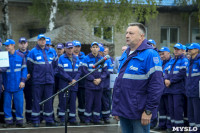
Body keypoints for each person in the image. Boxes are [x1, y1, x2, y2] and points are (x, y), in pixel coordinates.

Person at [112, 23, 164, 133]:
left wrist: (148, 111)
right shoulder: (126, 54)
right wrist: (116, 108)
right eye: (126, 33)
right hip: (124, 110)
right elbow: (119, 84)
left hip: (139, 112)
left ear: (141, 36)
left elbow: (157, 85)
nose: (127, 35)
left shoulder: (150, 54)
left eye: (131, 33)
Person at [27, 34, 58, 127]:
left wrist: (51, 74)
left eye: (43, 40)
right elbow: (29, 67)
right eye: (40, 40)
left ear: (46, 41)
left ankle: (49, 120)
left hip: (49, 81)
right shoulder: (33, 52)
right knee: (37, 101)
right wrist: (36, 75)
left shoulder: (52, 51)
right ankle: (36, 120)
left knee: (49, 101)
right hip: (37, 81)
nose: (42, 41)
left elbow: (55, 66)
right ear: (37, 41)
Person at [80, 42, 108, 125]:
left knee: (97, 103)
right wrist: (93, 79)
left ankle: (96, 119)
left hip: (99, 85)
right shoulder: (86, 58)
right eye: (93, 47)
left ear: (99, 49)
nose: (95, 48)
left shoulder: (102, 59)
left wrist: (100, 79)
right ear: (91, 49)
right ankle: (87, 119)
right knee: (89, 103)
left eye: (96, 47)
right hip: (90, 85)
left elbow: (105, 71)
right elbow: (84, 71)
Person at [2, 39, 27, 128]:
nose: (6, 47)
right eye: (6, 45)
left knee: (19, 104)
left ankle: (19, 121)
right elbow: (2, 72)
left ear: (13, 45)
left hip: (18, 85)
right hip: (7, 85)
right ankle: (8, 121)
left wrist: (23, 81)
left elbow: (24, 69)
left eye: (8, 45)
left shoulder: (21, 56)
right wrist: (1, 83)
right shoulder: (3, 56)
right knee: (7, 104)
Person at [164, 43, 189, 133]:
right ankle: (173, 127)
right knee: (171, 109)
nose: (176, 51)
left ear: (183, 51)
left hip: (178, 89)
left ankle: (179, 128)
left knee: (177, 109)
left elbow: (181, 74)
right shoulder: (172, 60)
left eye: (178, 49)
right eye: (175, 49)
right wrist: (166, 79)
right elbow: (166, 71)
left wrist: (171, 81)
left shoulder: (184, 60)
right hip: (170, 89)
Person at [57, 42, 81, 126]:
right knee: (63, 102)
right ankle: (63, 119)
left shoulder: (76, 58)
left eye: (71, 48)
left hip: (74, 84)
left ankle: (72, 119)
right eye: (68, 48)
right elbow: (61, 71)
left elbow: (79, 71)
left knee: (73, 102)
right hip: (64, 84)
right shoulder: (61, 58)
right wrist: (70, 79)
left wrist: (75, 80)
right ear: (65, 49)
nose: (70, 49)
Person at [154, 47, 171, 131]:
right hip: (160, 90)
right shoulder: (160, 63)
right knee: (161, 109)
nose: (161, 55)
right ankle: (161, 124)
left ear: (168, 53)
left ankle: (168, 126)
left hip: (168, 89)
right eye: (160, 54)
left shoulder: (171, 62)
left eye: (163, 53)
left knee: (168, 109)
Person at [16, 37, 32, 124]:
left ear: (27, 44)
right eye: (21, 43)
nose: (23, 45)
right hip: (18, 81)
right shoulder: (15, 54)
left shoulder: (31, 53)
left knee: (29, 100)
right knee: (17, 101)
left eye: (24, 43)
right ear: (18, 44)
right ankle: (16, 118)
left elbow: (34, 66)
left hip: (29, 81)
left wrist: (30, 74)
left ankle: (29, 118)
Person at [185, 43, 200, 133]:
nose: (189, 50)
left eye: (191, 49)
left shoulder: (198, 61)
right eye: (189, 49)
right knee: (190, 113)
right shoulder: (190, 61)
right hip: (189, 91)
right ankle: (192, 130)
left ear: (197, 50)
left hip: (197, 92)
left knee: (197, 113)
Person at [72, 40, 86, 123]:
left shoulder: (84, 57)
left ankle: (82, 116)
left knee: (82, 101)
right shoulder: (69, 56)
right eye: (75, 46)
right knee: (71, 101)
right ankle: (71, 117)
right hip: (72, 82)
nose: (76, 48)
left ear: (80, 47)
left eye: (78, 47)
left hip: (81, 83)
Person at [99, 45, 113, 124]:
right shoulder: (96, 59)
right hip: (98, 85)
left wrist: (101, 75)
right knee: (98, 102)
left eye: (101, 52)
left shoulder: (108, 59)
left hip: (105, 85)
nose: (100, 53)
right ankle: (99, 116)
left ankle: (106, 117)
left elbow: (110, 71)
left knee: (105, 102)